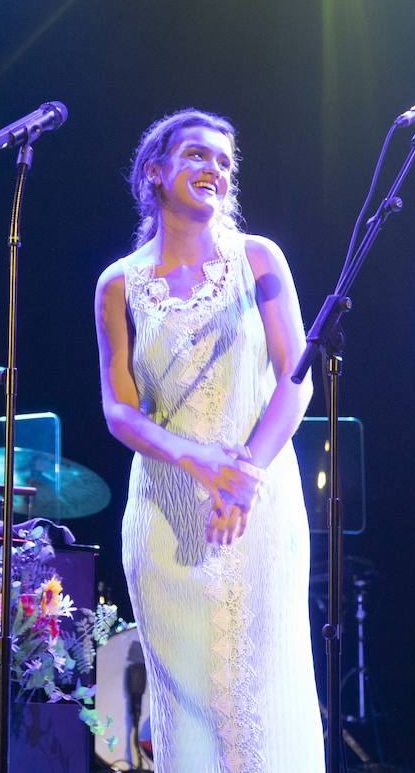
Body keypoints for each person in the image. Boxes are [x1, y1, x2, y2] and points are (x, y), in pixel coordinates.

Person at [94, 109, 324, 771]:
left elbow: (297, 378)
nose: (215, 171)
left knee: (267, 697)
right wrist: (198, 462)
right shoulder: (118, 283)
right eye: (198, 155)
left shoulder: (259, 259)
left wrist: (241, 472)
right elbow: (120, 409)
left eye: (225, 161)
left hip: (259, 499)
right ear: (155, 172)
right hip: (168, 510)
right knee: (186, 706)